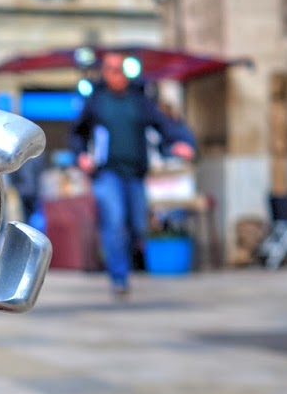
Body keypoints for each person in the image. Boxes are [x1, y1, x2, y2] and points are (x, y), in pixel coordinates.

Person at [71, 53, 195, 296]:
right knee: (114, 221)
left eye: (121, 70)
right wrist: (81, 156)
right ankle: (119, 277)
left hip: (135, 173)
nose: (118, 75)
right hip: (107, 173)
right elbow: (77, 133)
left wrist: (178, 143)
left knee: (137, 225)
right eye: (112, 70)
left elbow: (163, 125)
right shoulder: (96, 101)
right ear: (105, 73)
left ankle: (126, 266)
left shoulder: (139, 101)